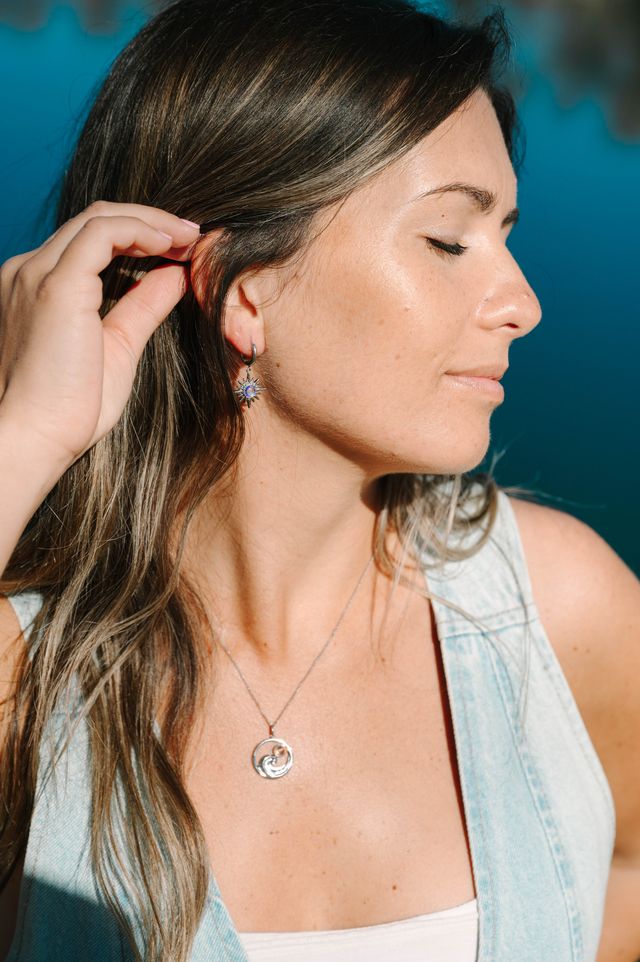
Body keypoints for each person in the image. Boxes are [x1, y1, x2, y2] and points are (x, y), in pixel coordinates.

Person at [0, 0, 638, 960]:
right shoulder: (29, 680)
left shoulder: (557, 609)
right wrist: (26, 437)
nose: (524, 304)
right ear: (246, 293)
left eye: (506, 234)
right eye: (449, 240)